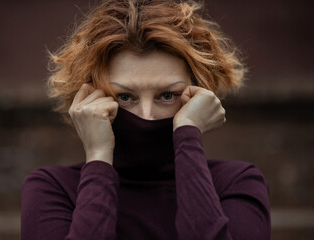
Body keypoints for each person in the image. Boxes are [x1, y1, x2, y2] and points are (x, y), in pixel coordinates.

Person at [21, 0, 271, 239]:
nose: (146, 116)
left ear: (198, 95)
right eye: (126, 97)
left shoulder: (237, 182)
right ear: (89, 98)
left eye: (167, 95)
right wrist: (98, 157)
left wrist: (188, 132)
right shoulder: (53, 188)